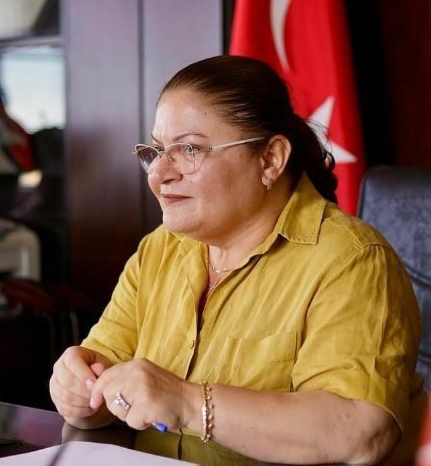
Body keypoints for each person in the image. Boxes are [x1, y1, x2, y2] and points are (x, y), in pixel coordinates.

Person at [49, 55, 424, 465]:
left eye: (189, 149)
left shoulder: (351, 261)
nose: (158, 174)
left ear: (270, 159)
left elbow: (358, 432)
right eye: (156, 150)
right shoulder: (160, 249)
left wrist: (188, 403)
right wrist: (79, 390)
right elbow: (105, 378)